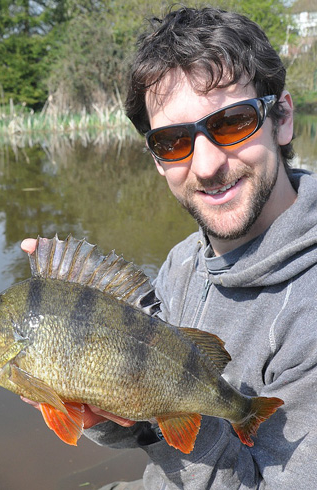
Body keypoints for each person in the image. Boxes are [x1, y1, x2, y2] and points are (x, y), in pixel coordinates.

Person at [21, 6, 317, 489]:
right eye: (174, 141)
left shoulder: (308, 310)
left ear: (281, 117)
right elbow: (147, 431)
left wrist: (177, 408)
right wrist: (102, 414)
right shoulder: (183, 262)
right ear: (157, 160)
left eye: (231, 122)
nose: (204, 164)